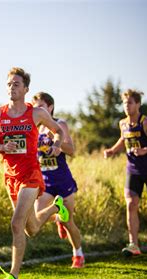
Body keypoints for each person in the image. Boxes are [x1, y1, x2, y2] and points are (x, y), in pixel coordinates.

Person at [0, 67, 70, 279]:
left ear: (25, 89)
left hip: (31, 173)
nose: (11, 88)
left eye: (16, 84)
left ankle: (13, 278)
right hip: (10, 175)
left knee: (16, 223)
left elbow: (58, 130)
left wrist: (57, 144)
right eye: (9, 84)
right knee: (30, 228)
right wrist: (2, 146)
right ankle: (55, 208)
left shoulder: (36, 113)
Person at [104, 89, 147, 257]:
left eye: (130, 103)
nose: (126, 106)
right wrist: (112, 151)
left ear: (138, 104)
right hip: (133, 170)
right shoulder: (123, 123)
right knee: (131, 204)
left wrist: (146, 150)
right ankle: (133, 244)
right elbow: (123, 139)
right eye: (124, 103)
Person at [32, 92, 84, 269]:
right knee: (36, 218)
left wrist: (57, 144)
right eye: (35, 107)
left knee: (69, 222)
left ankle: (78, 254)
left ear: (50, 107)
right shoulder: (35, 129)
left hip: (63, 182)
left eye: (41, 106)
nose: (38, 110)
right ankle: (56, 216)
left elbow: (71, 150)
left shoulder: (59, 124)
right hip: (45, 182)